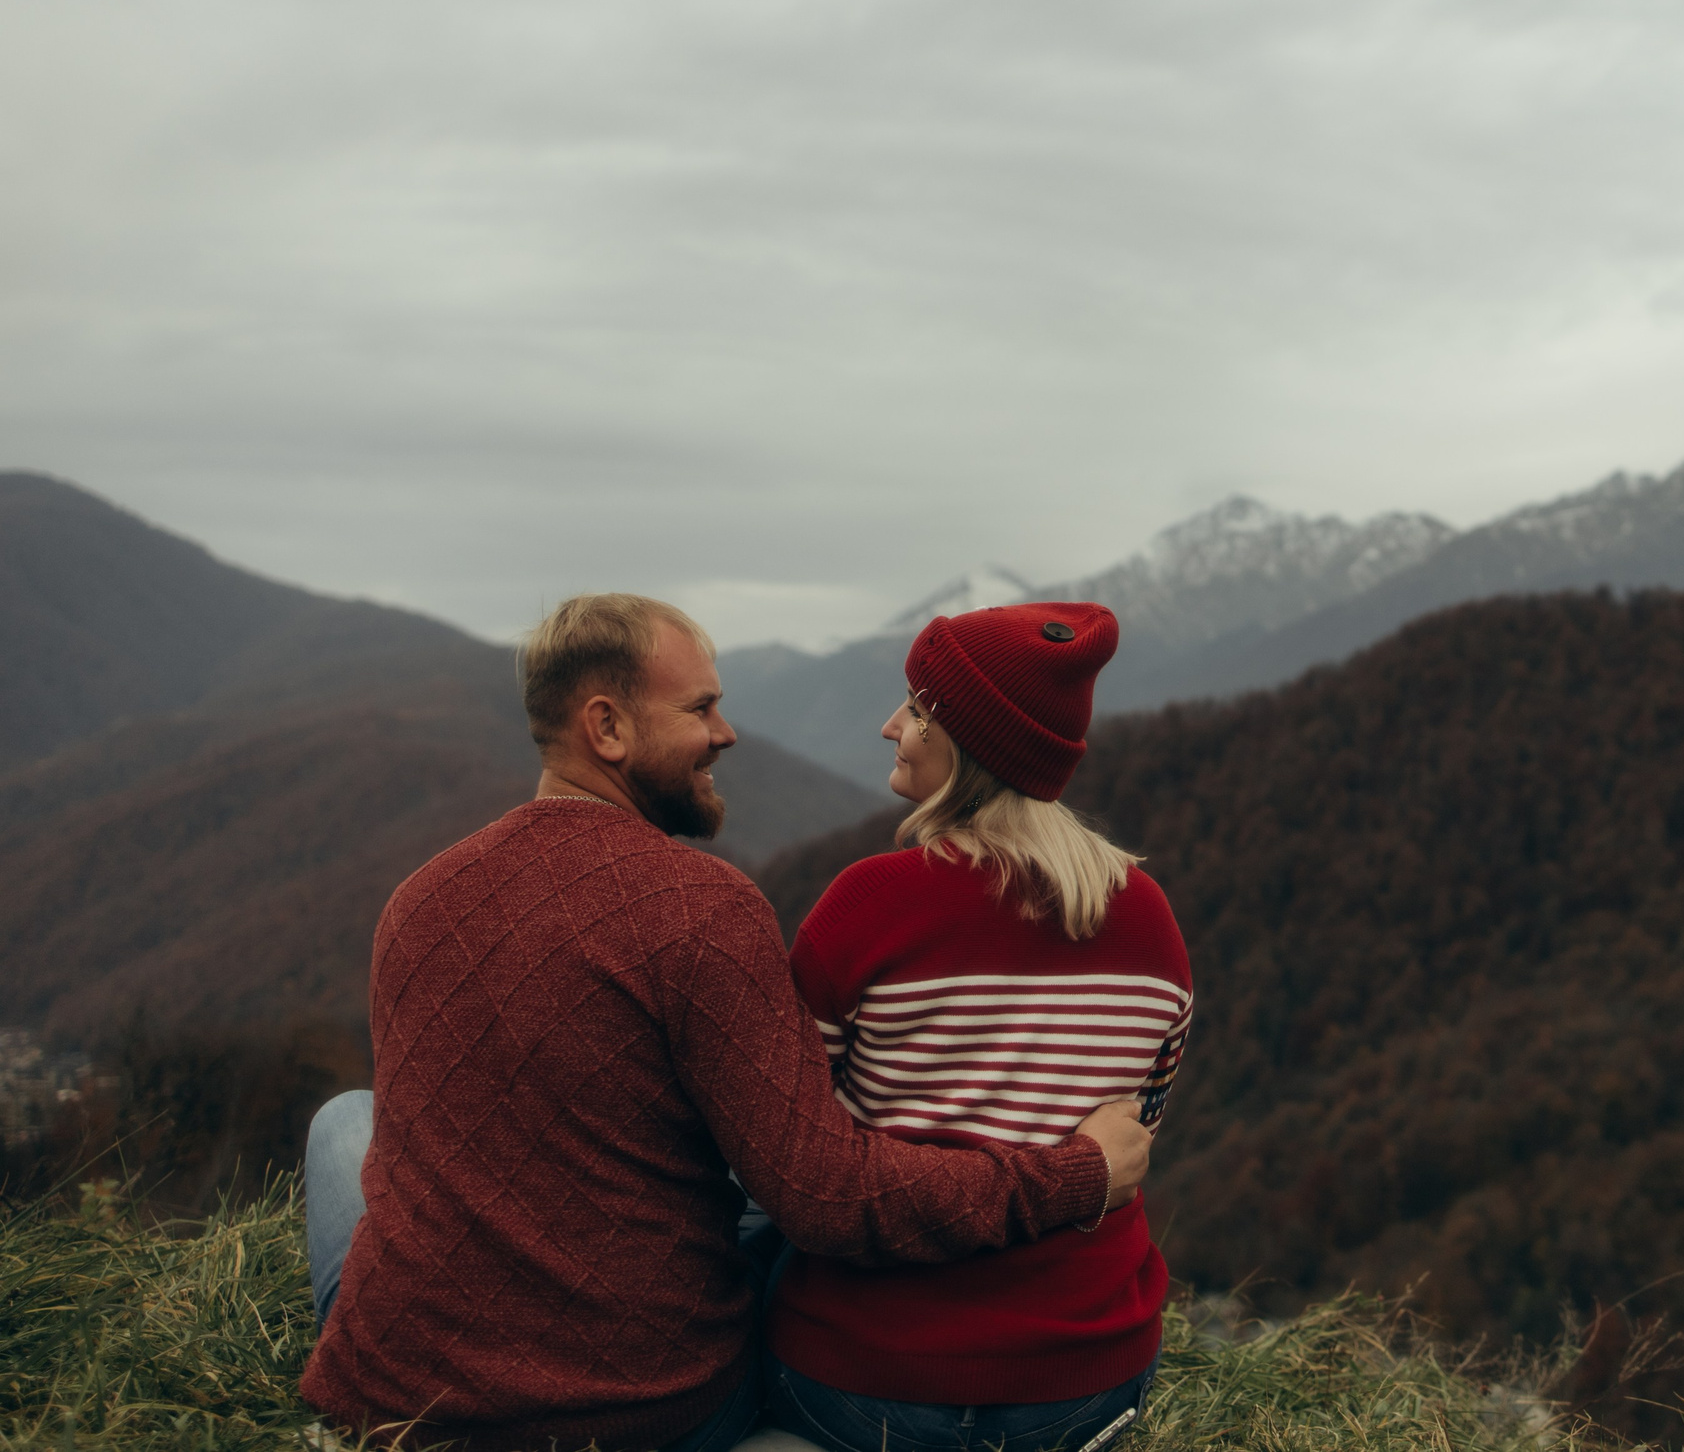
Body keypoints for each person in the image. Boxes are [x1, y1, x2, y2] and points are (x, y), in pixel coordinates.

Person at [298, 594, 1154, 1452]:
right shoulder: (703, 907)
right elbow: (826, 1198)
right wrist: (1076, 1174)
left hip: (404, 1404)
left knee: (347, 1119)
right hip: (652, 1413)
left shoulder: (417, 900)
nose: (727, 732)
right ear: (607, 727)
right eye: (700, 707)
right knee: (761, 1190)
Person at [764, 602, 1192, 1452]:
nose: (891, 726)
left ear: (965, 741)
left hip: (865, 1379)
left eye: (915, 708)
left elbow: (794, 1138)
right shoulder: (1149, 917)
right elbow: (1137, 1130)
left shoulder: (867, 903)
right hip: (1084, 1380)